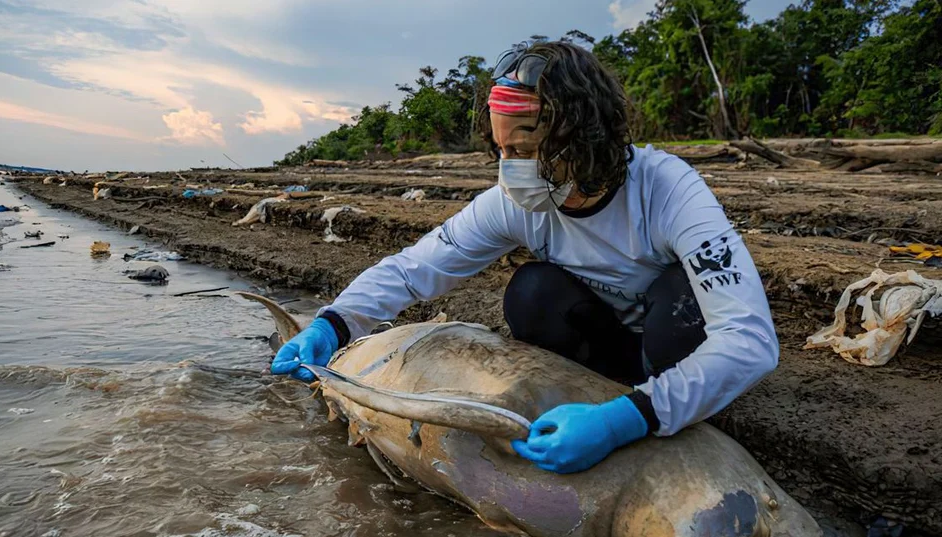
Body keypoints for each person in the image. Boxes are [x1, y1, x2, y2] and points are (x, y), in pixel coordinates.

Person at [271, 41, 779, 474]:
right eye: (501, 152)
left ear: (584, 137)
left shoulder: (668, 190)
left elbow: (750, 341)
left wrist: (625, 420)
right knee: (532, 291)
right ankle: (592, 403)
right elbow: (417, 268)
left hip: (668, 346)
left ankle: (653, 407)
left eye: (526, 149)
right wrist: (334, 324)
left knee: (682, 296)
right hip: (604, 348)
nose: (511, 170)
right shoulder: (517, 203)